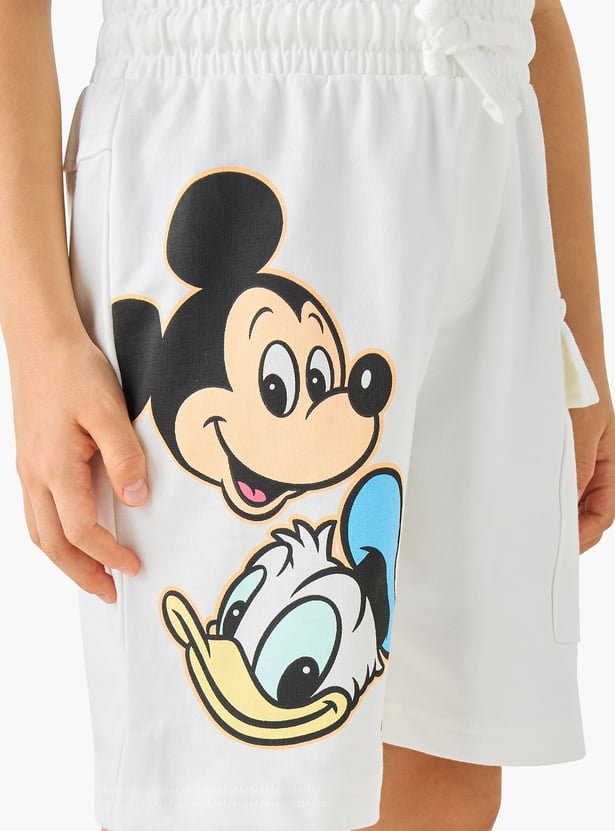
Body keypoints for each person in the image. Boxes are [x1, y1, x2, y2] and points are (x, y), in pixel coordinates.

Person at [0, 1, 613, 830]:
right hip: (241, 117)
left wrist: (574, 340)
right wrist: (37, 336)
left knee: (446, 774)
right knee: (246, 795)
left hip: (487, 114)